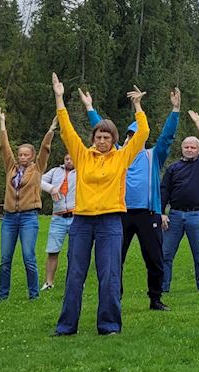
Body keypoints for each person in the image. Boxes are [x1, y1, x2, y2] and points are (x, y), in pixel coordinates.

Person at [50, 73, 149, 336]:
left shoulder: (122, 158)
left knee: (109, 275)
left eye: (107, 137)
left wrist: (138, 106)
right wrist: (59, 98)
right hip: (81, 221)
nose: (102, 141)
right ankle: (66, 326)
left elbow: (143, 134)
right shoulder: (82, 156)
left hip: (110, 221)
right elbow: (67, 130)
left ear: (113, 139)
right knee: (75, 276)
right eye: (98, 137)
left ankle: (108, 325)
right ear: (93, 139)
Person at [84, 87, 178, 311]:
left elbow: (167, 136)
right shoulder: (117, 155)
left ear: (142, 139)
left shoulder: (152, 155)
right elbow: (102, 130)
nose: (131, 139)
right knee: (116, 260)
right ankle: (116, 298)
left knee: (154, 259)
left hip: (148, 214)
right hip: (121, 213)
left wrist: (175, 109)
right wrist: (89, 107)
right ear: (124, 138)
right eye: (128, 135)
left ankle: (155, 299)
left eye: (136, 136)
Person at [160, 106, 199, 292]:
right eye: (186, 147)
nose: (189, 149)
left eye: (192, 147)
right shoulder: (173, 168)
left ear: (198, 150)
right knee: (166, 254)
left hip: (196, 215)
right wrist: (162, 213)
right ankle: (163, 287)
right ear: (182, 148)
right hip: (175, 216)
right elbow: (163, 191)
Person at [0, 106, 55, 301]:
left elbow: (45, 149)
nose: (21, 157)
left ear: (31, 156)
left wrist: (51, 130)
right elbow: (4, 148)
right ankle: (3, 296)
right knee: (5, 260)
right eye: (20, 154)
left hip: (29, 217)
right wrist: (2, 122)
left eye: (25, 155)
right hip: (9, 218)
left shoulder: (37, 168)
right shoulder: (11, 168)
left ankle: (34, 295)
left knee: (28, 257)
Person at [39, 152, 76, 289]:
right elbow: (37, 179)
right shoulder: (55, 171)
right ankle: (49, 282)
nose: (69, 161)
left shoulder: (81, 170)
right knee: (52, 251)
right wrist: (51, 188)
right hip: (58, 217)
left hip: (76, 216)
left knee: (75, 252)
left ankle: (76, 282)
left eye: (71, 158)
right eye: (66, 158)